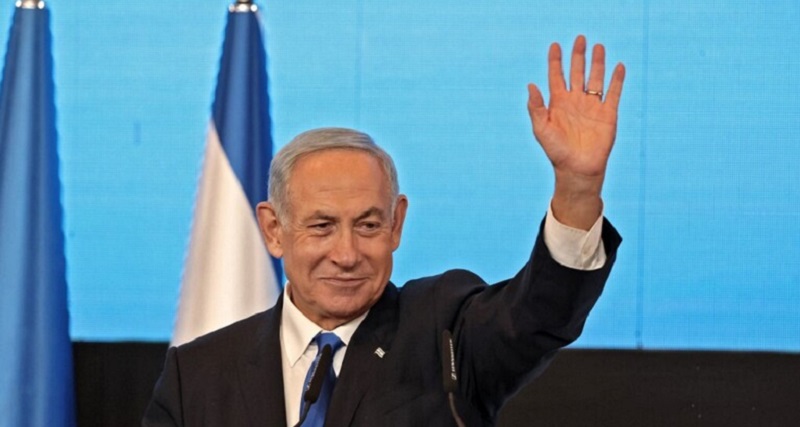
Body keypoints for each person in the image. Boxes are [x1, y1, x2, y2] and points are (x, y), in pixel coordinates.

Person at [143, 35, 626, 426]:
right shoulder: (198, 374)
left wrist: (578, 188)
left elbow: (540, 313)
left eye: (368, 225)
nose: (347, 253)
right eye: (322, 226)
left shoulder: (446, 334)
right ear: (274, 229)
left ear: (396, 224)